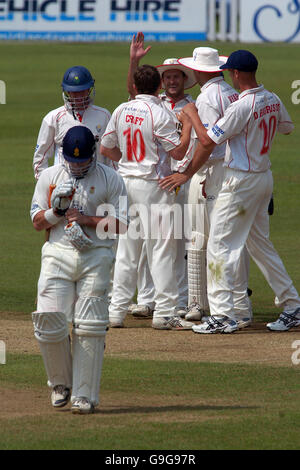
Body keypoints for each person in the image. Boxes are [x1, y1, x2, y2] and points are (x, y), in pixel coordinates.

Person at [161, 49, 300, 333]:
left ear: (235, 73)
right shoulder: (271, 98)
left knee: (219, 245)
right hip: (264, 177)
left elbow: (209, 141)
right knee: (260, 245)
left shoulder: (241, 106)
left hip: (240, 181)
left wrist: (186, 168)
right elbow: (286, 127)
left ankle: (223, 315)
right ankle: (292, 305)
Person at [30, 126, 128, 414]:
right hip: (57, 254)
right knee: (48, 321)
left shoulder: (111, 179)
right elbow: (37, 222)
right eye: (72, 161)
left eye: (83, 161)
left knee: (90, 327)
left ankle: (84, 395)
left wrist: (86, 219)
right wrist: (56, 212)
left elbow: (121, 225)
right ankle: (61, 384)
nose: (77, 166)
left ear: (93, 154)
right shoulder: (49, 177)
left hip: (96, 255)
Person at [100, 64, 194, 330]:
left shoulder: (121, 109)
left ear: (137, 86)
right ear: (158, 86)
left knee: (127, 252)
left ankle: (116, 313)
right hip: (154, 186)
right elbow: (177, 152)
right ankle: (164, 313)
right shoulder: (159, 112)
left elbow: (106, 149)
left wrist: (129, 163)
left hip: (124, 184)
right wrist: (187, 125)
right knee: (161, 251)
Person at [126, 32, 197, 319]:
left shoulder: (192, 104)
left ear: (183, 79)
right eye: (166, 77)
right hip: (155, 180)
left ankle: (180, 300)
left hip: (182, 178)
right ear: (160, 81)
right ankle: (146, 299)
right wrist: (133, 61)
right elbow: (133, 92)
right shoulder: (153, 102)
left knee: (176, 241)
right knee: (144, 238)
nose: (170, 81)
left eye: (175, 77)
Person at [33, 65, 114, 181]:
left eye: (82, 91)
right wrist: (47, 185)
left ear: (89, 89)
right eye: (74, 92)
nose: (78, 96)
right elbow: (40, 158)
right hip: (64, 182)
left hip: (96, 182)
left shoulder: (104, 116)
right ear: (67, 92)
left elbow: (111, 155)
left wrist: (111, 181)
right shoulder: (53, 118)